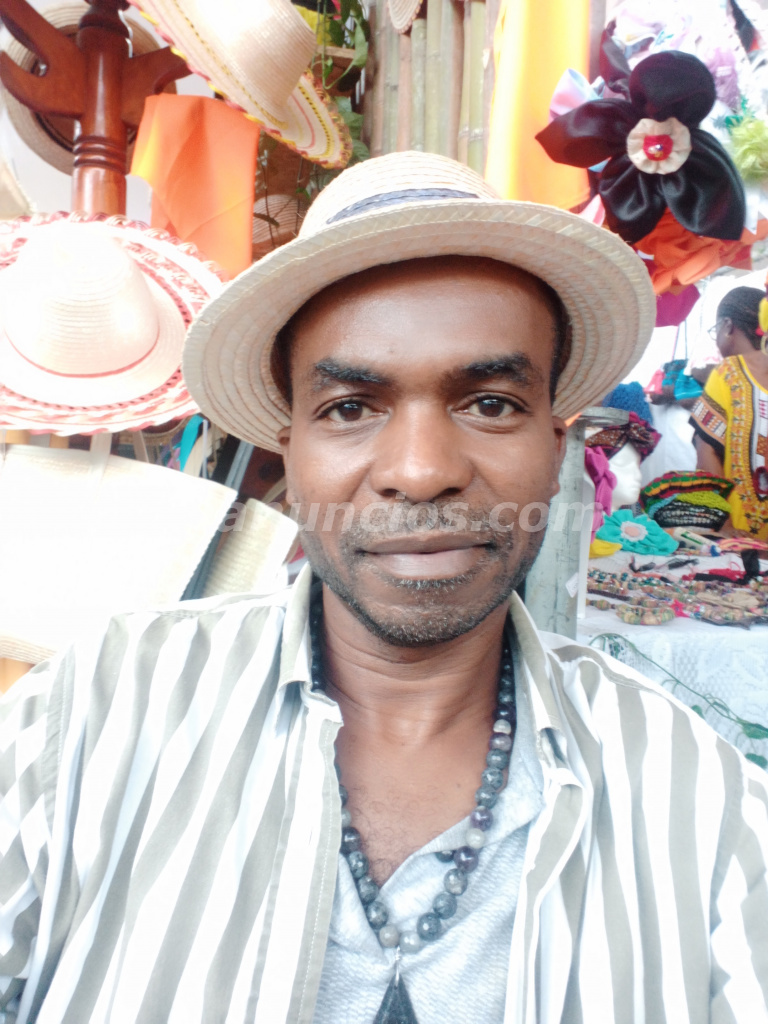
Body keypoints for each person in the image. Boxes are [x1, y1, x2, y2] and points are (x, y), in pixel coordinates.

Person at [1, 152, 767, 1024]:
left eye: (489, 403)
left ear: (557, 449)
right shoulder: (97, 714)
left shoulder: (694, 799)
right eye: (350, 409)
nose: (421, 470)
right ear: (290, 455)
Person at [691, 285, 768, 538]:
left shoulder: (728, 373)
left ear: (727, 326)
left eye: (716, 330)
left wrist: (722, 525)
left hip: (740, 536)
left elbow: (707, 450)